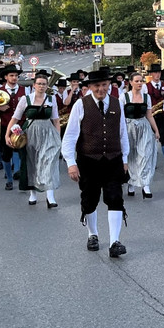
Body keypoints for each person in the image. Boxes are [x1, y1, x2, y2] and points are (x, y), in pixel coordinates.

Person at [61, 68, 130, 258]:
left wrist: (124, 159)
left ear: (109, 85)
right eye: (97, 85)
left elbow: (122, 133)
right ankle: (93, 234)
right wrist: (71, 163)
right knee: (90, 199)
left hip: (113, 159)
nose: (101, 89)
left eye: (104, 85)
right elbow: (70, 137)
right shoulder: (80, 105)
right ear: (90, 87)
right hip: (89, 160)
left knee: (115, 198)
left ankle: (115, 241)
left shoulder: (117, 103)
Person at [8, 72, 62, 208]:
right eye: (39, 84)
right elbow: (15, 118)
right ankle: (33, 193)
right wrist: (7, 135)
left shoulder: (51, 99)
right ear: (34, 85)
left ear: (47, 85)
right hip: (31, 133)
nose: (41, 86)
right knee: (32, 163)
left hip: (48, 133)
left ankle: (50, 196)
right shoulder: (26, 99)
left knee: (49, 163)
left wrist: (58, 136)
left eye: (44, 84)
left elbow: (56, 120)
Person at [0, 64, 26, 190]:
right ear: (6, 77)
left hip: (21, 126)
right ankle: (9, 178)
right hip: (5, 126)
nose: (14, 78)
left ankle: (18, 172)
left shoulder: (25, 90)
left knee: (20, 150)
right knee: (6, 154)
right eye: (11, 76)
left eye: (16, 76)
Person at [124, 72, 160, 199]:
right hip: (129, 127)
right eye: (137, 81)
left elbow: (149, 115)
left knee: (144, 154)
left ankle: (145, 184)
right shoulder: (124, 97)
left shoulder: (146, 97)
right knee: (131, 156)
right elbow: (120, 117)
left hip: (144, 127)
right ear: (131, 82)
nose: (140, 83)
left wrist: (156, 130)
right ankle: (131, 182)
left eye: (141, 81)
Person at [145, 63, 164, 171]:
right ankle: (152, 161)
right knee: (151, 139)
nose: (157, 74)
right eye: (155, 72)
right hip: (151, 115)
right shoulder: (145, 87)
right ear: (151, 74)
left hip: (162, 115)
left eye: (159, 73)